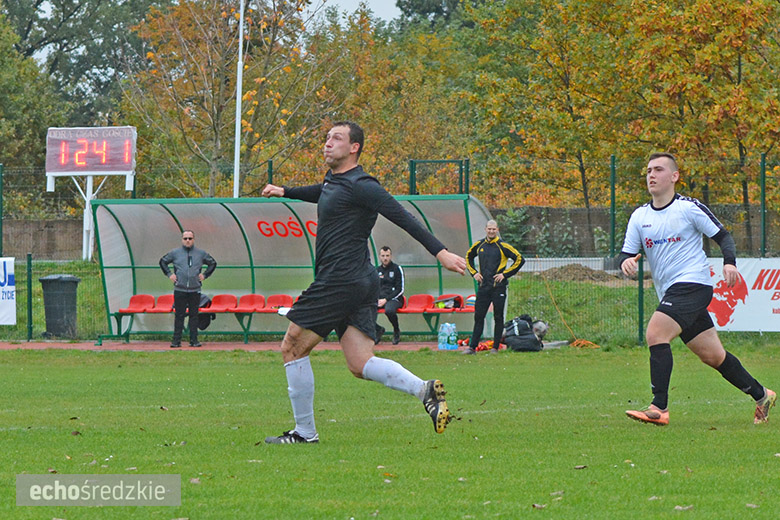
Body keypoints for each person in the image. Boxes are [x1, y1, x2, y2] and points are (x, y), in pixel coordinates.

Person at [260, 121, 467, 444]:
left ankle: (305, 433)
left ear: (354, 147)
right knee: (359, 363)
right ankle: (423, 389)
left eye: (336, 138)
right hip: (359, 280)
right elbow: (321, 192)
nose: (327, 143)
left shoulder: (363, 185)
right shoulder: (336, 181)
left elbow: (402, 216)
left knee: (292, 346)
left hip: (340, 279)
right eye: (327, 137)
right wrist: (286, 191)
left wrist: (440, 253)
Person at [620, 152, 775, 426]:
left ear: (675, 176)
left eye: (658, 170)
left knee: (656, 334)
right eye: (648, 171)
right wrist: (626, 263)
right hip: (671, 292)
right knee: (713, 356)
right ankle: (762, 395)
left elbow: (723, 235)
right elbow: (626, 254)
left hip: (694, 284)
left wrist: (729, 263)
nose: (651, 175)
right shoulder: (639, 216)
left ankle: (659, 407)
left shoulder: (688, 208)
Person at [463, 220, 524, 355]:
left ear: (497, 230)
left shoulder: (503, 246)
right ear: (485, 229)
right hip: (483, 287)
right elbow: (468, 257)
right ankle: (472, 348)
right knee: (479, 317)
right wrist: (474, 273)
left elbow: (519, 259)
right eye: (489, 229)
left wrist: (505, 274)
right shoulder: (480, 245)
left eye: (493, 229)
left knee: (498, 317)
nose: (491, 231)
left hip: (498, 288)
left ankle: (495, 348)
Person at [159, 230, 217, 348]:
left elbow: (213, 263)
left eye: (190, 238)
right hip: (180, 289)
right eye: (185, 238)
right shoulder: (175, 253)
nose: (188, 241)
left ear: (193, 240)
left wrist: (205, 275)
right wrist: (169, 274)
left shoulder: (201, 253)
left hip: (195, 290)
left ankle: (194, 340)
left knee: (194, 315)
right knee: (179, 315)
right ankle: (176, 341)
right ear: (182, 240)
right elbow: (163, 262)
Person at [375, 246, 405, 345]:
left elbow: (400, 289)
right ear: (379, 257)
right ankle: (378, 330)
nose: (385, 258)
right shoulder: (376, 270)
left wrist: (386, 299)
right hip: (380, 299)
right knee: (364, 310)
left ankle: (396, 331)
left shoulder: (397, 269)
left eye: (387, 255)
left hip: (394, 299)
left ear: (391, 256)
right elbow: (373, 287)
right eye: (383, 256)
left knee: (389, 310)